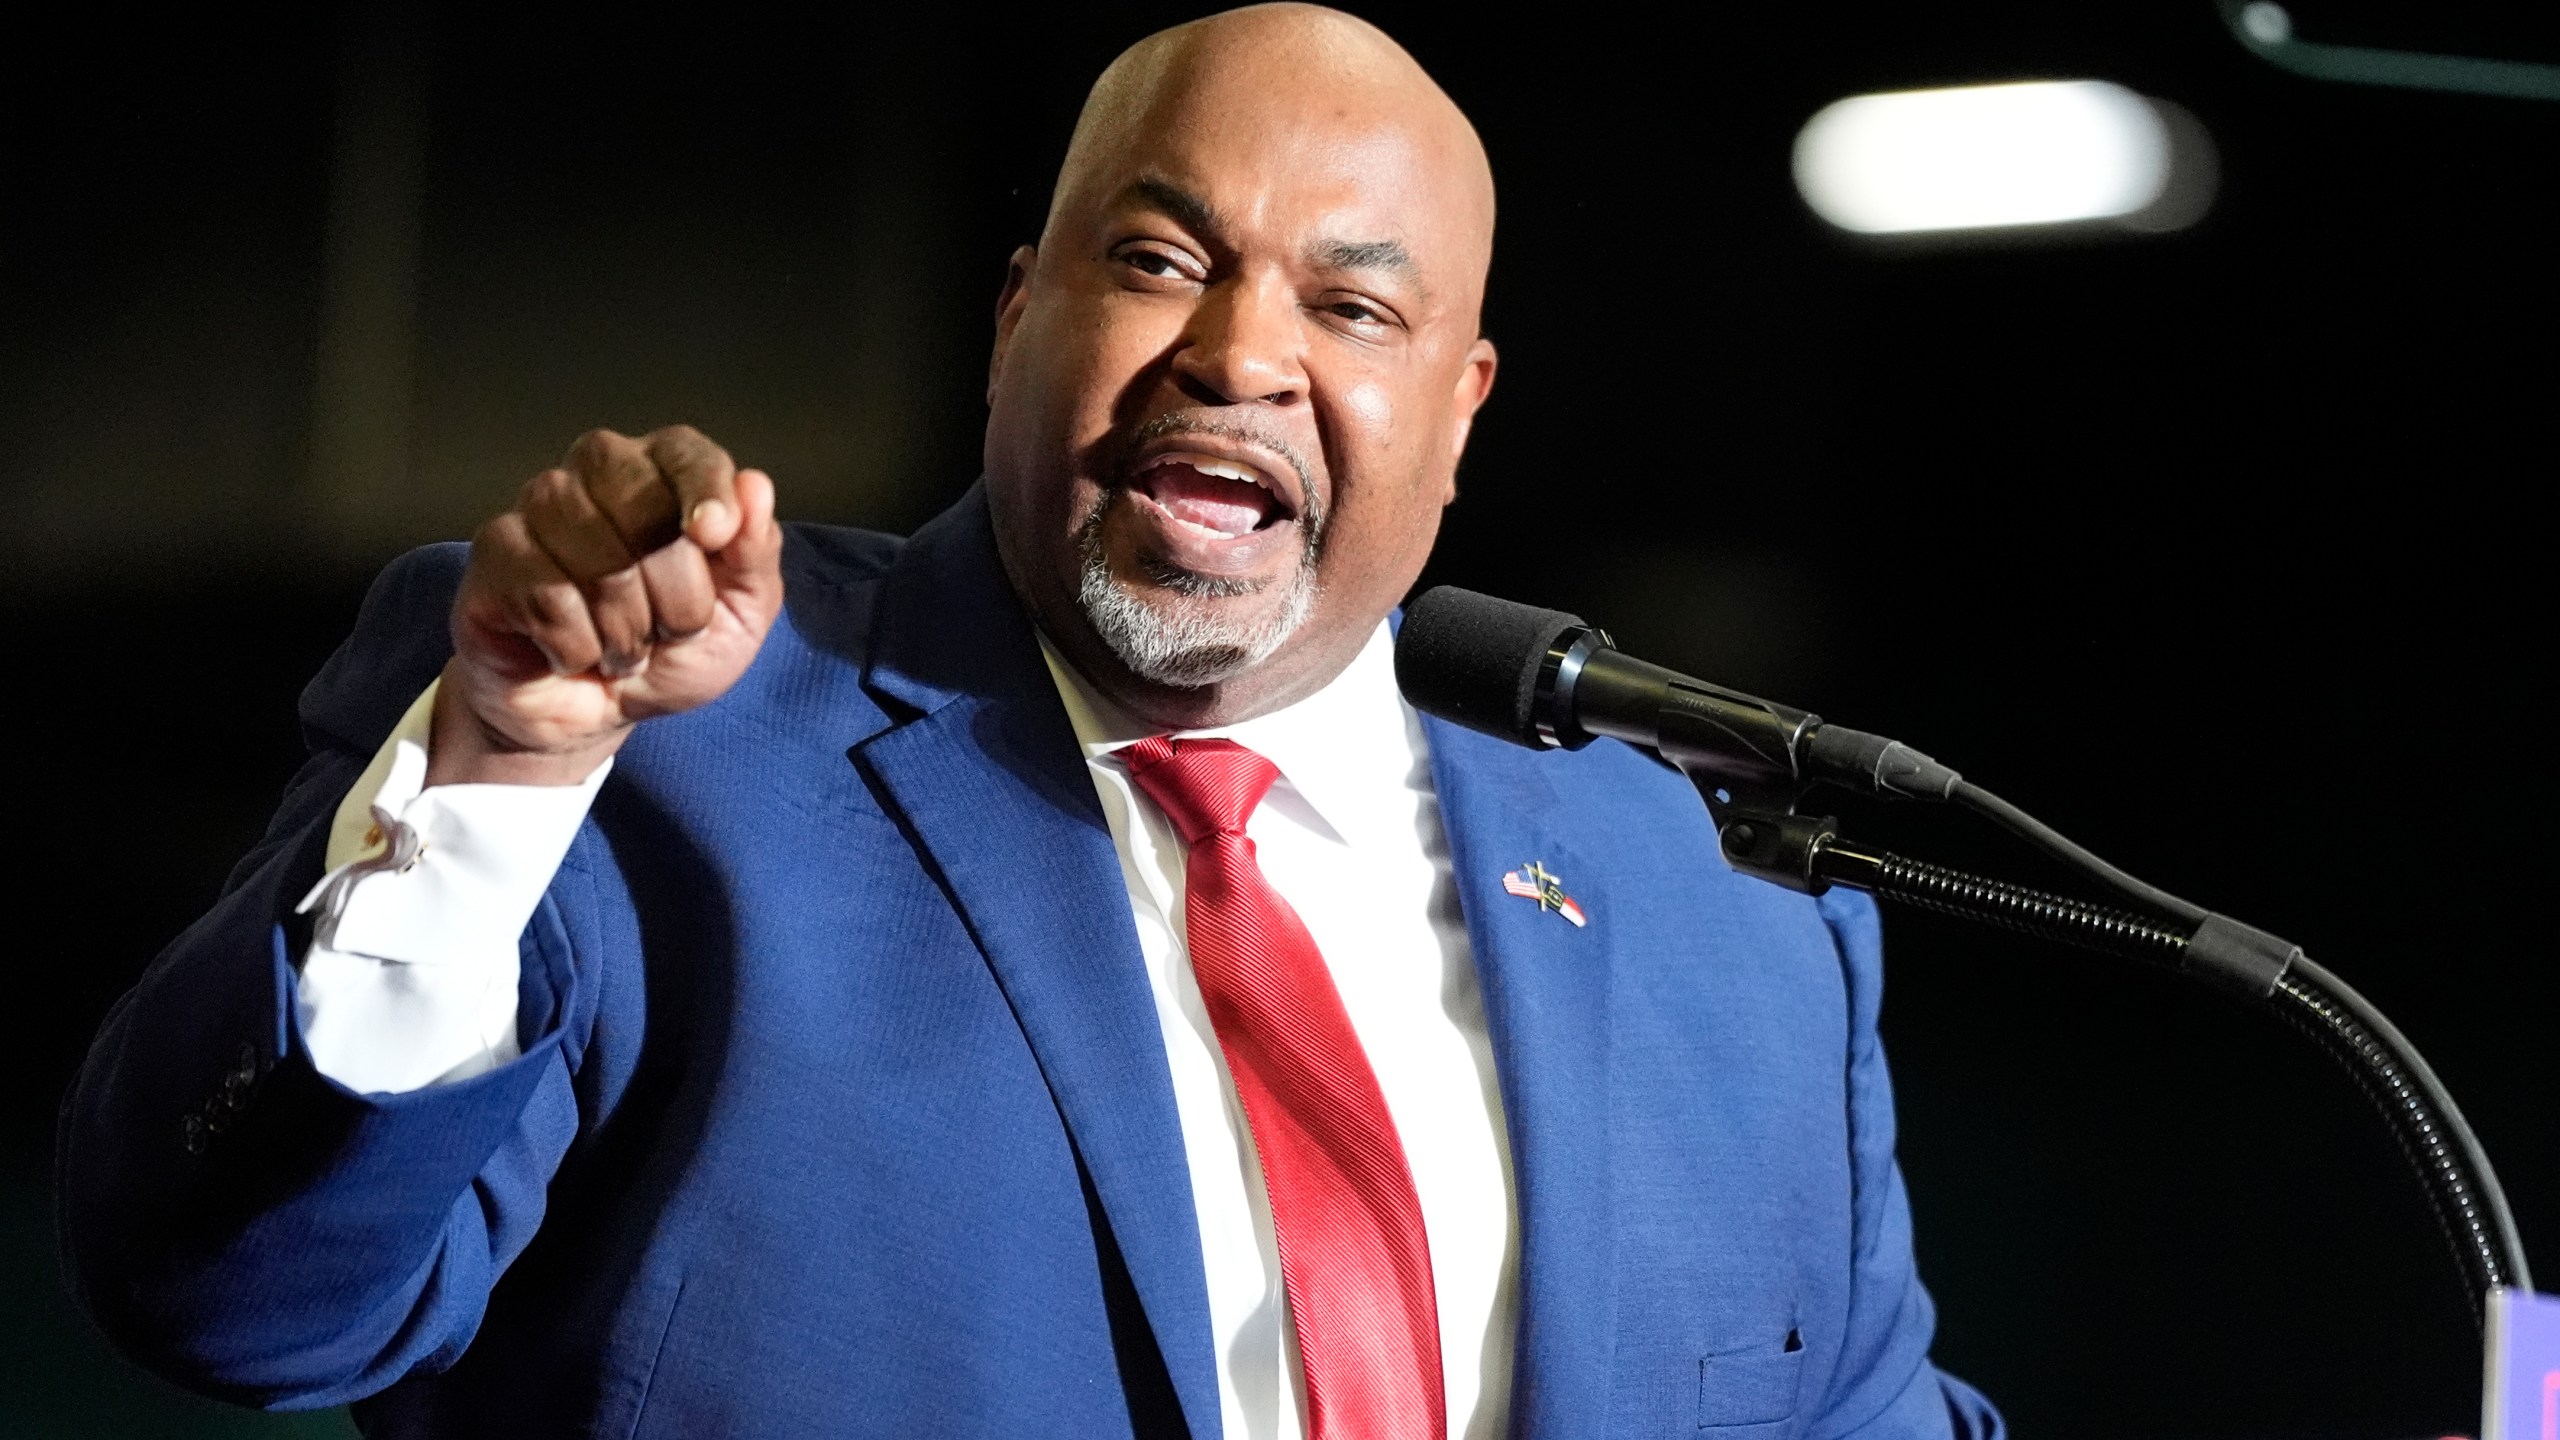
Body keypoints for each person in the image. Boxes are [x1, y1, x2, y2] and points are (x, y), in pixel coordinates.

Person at [59, 6, 2002, 1437]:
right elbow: (237, 1304)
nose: (1240, 353)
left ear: (1461, 407)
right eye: (1159, 261)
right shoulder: (653, 747)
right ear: (1013, 319)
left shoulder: (1723, 925)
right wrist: (499, 783)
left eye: (1353, 306)